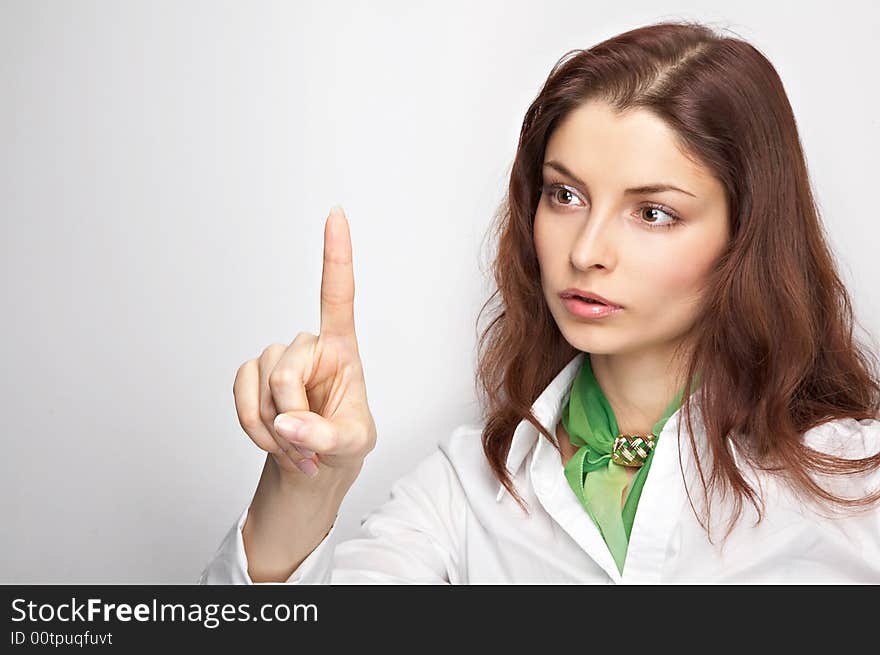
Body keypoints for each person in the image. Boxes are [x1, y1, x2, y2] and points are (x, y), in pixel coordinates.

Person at [199, 20, 880, 584]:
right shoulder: (465, 491)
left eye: (653, 213)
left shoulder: (858, 484)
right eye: (565, 195)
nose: (586, 250)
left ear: (748, 233)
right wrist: (305, 486)